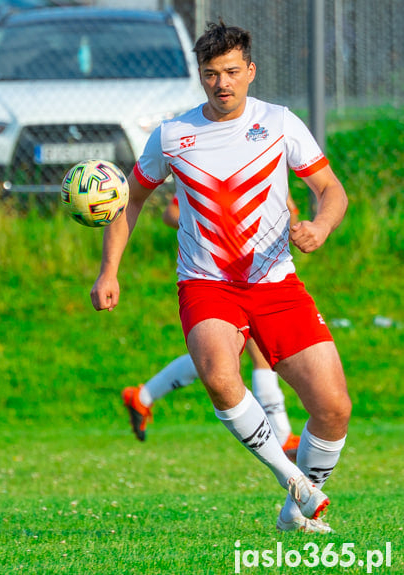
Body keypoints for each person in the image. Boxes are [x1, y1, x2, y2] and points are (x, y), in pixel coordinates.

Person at [90, 21, 350, 533]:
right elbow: (131, 201)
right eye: (211, 74)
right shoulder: (172, 135)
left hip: (276, 284)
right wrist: (108, 271)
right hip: (206, 283)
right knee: (217, 373)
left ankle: (293, 514)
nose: (222, 83)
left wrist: (320, 226)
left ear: (250, 72)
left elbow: (331, 189)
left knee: (334, 407)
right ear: (201, 78)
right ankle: (292, 481)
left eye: (232, 72)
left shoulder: (279, 122)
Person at [122, 195, 302, 462]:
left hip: (260, 271)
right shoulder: (211, 164)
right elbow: (171, 213)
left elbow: (291, 214)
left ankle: (143, 395)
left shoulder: (268, 159)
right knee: (255, 355)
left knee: (218, 359)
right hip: (216, 277)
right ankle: (282, 434)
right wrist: (213, 227)